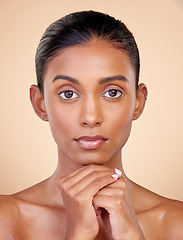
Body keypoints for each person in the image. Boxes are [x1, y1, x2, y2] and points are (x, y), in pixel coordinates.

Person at [0, 10, 182, 240]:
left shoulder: (177, 224)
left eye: (112, 92)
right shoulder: (6, 220)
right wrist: (78, 234)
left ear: (138, 102)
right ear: (40, 103)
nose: (90, 117)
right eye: (68, 94)